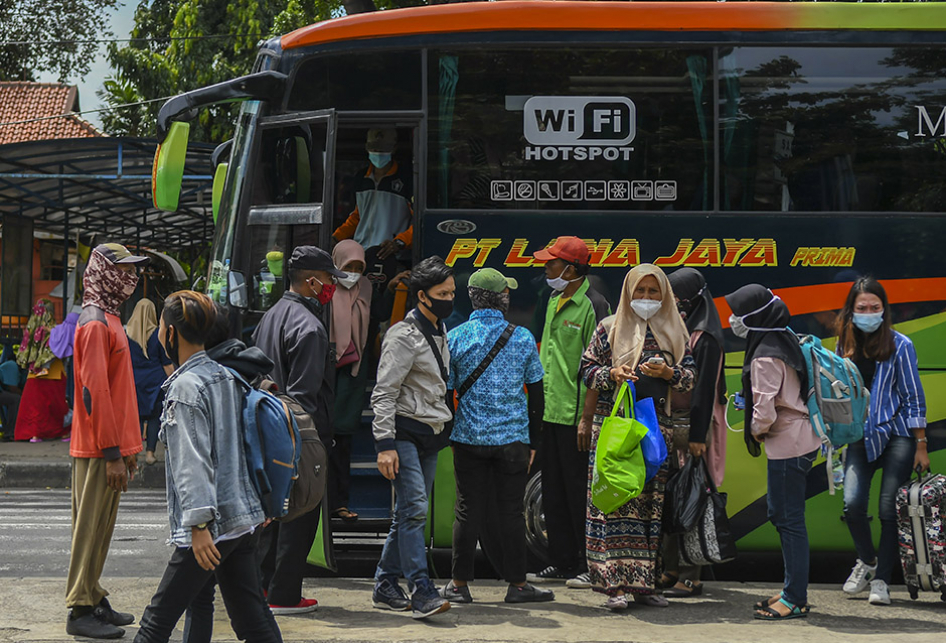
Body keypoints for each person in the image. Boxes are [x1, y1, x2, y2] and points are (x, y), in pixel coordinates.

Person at [133, 291, 281, 643]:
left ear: (171, 334)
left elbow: (192, 461)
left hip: (210, 526)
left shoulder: (185, 388)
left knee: (156, 623)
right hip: (240, 518)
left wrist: (199, 525)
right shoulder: (227, 375)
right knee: (252, 620)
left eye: (161, 329)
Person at [579, 263, 696, 610]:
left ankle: (645, 585)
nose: (646, 298)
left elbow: (690, 378)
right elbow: (586, 370)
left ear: (664, 295)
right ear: (629, 293)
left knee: (650, 507)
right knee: (615, 503)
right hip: (614, 431)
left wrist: (669, 372)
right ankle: (615, 586)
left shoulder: (675, 330)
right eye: (640, 291)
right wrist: (612, 373)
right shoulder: (609, 328)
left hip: (656, 431)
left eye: (653, 291)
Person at [441, 267, 554, 605]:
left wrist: (453, 430)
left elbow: (446, 392)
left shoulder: (456, 337)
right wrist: (534, 441)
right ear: (503, 298)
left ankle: (459, 585)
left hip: (469, 439)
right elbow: (536, 394)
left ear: (473, 298)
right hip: (513, 442)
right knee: (511, 512)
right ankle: (517, 585)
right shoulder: (521, 338)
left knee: (466, 510)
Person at [252, 245, 345, 615]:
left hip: (269, 428)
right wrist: (306, 446)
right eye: (328, 280)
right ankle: (285, 595)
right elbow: (304, 398)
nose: (331, 287)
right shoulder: (310, 327)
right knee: (300, 513)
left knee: (274, 514)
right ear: (311, 281)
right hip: (299, 435)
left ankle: (262, 587)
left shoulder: (270, 316)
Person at [66, 243, 148, 639]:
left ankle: (94, 597)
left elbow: (119, 391)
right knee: (88, 530)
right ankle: (79, 609)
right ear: (104, 271)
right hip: (99, 449)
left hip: (113, 447)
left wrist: (128, 449)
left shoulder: (111, 317)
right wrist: (113, 453)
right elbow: (94, 393)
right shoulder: (96, 322)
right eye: (124, 268)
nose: (130, 277)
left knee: (101, 529)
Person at [725, 284, 818, 621]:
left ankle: (794, 598)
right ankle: (792, 589)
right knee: (785, 517)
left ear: (755, 316)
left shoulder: (765, 353)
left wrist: (754, 431)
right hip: (802, 438)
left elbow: (764, 414)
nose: (733, 320)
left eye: (738, 313)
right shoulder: (784, 337)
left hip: (787, 444)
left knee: (788, 519)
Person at [371, 256, 455, 619]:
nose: (450, 298)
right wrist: (385, 445)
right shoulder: (403, 336)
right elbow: (384, 391)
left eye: (452, 292)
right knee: (416, 508)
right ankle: (421, 588)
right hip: (404, 432)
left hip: (430, 434)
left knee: (407, 512)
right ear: (422, 296)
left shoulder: (439, 329)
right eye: (443, 293)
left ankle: (384, 583)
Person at [837, 277, 928, 606]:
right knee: (853, 505)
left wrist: (920, 443)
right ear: (851, 311)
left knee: (889, 509)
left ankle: (882, 581)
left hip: (898, 435)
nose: (868, 313)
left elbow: (914, 396)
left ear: (884, 310)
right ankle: (868, 560)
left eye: (875, 307)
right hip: (859, 436)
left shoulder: (900, 344)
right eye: (862, 308)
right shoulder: (843, 345)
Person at [527, 236, 610, 589]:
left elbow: (598, 365)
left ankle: (587, 564)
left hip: (577, 417)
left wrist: (587, 418)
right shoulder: (552, 299)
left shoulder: (593, 305)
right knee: (555, 491)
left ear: (571, 269)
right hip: (550, 412)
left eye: (552, 263)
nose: (546, 269)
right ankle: (562, 561)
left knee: (580, 495)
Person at [662, 267, 728, 598]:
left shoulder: (706, 337)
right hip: (677, 420)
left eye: (675, 297)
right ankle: (671, 568)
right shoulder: (684, 329)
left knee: (693, 500)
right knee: (674, 496)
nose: (671, 303)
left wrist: (699, 436)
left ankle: (691, 576)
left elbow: (704, 391)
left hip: (695, 425)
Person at [329, 240, 372, 522]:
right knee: (326, 443)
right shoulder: (325, 291)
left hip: (355, 372)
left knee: (343, 443)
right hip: (329, 370)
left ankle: (339, 503)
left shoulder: (367, 288)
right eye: (348, 267)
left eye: (358, 267)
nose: (354, 273)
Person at [332, 128, 413, 260]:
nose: (378, 153)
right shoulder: (361, 178)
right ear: (367, 148)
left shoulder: (406, 179)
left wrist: (400, 242)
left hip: (393, 255)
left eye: (383, 149)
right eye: (374, 148)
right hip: (361, 254)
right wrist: (336, 238)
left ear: (394, 149)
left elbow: (419, 221)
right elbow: (356, 217)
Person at [14, 299, 70, 442]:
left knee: (34, 405)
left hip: (35, 373)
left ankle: (35, 434)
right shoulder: (54, 329)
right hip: (55, 373)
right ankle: (63, 433)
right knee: (57, 405)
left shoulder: (32, 329)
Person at [126, 299, 174, 465]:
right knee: (154, 418)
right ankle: (150, 453)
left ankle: (135, 452)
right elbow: (166, 362)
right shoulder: (157, 335)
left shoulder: (127, 334)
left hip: (134, 381)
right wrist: (174, 380)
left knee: (136, 418)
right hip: (155, 381)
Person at [0, 358, 22, 440]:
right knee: (16, 399)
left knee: (9, 399)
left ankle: (7, 429)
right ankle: (11, 432)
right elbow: (13, 389)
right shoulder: (12, 365)